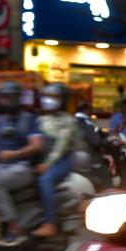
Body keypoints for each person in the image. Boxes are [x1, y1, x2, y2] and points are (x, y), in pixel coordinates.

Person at [0, 81, 44, 246]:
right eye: (1, 97)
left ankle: (13, 227)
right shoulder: (0, 120)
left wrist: (15, 154)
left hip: (22, 166)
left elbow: (37, 145)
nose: (2, 101)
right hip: (0, 166)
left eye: (6, 97)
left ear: (16, 98)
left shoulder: (29, 119)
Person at [32, 83, 77, 238]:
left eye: (54, 97)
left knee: (45, 181)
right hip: (41, 161)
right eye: (46, 96)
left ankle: (50, 223)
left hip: (61, 161)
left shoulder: (68, 121)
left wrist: (47, 164)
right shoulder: (39, 119)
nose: (48, 100)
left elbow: (61, 146)